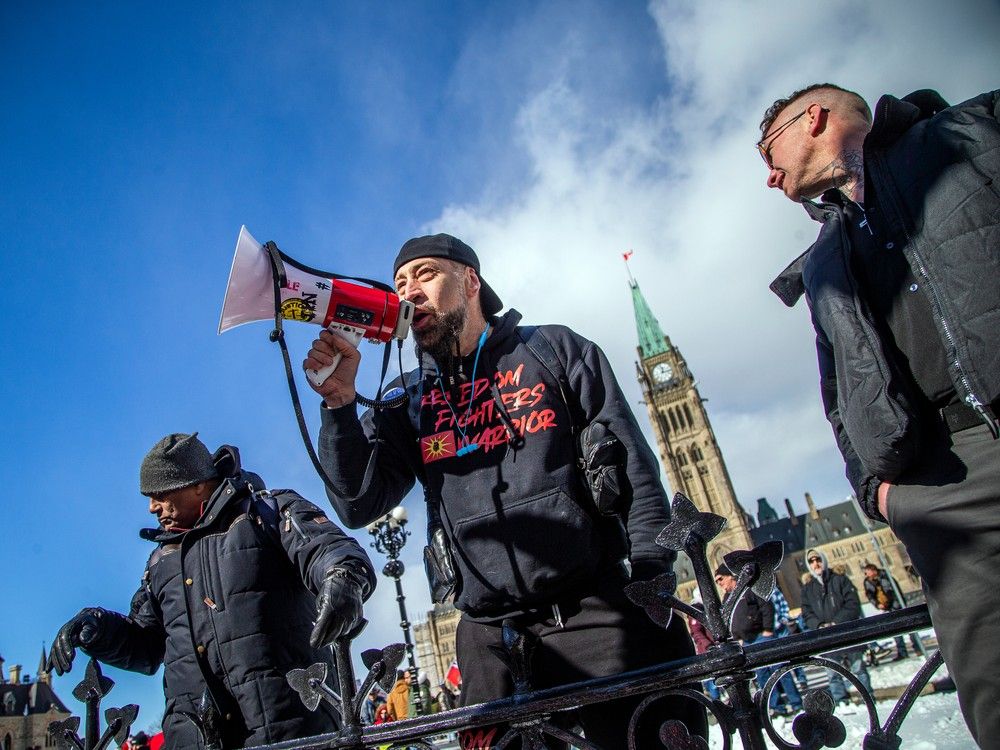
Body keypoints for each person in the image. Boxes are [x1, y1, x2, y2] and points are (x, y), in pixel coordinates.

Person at [304, 233, 706, 748]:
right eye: (400, 282)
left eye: (426, 274)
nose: (409, 292)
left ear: (471, 280)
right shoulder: (406, 399)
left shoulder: (554, 349)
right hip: (490, 636)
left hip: (600, 611)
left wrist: (652, 582)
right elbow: (357, 503)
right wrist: (338, 406)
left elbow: (634, 468)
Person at [760, 81, 999, 744]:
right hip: (940, 481)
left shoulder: (968, 135)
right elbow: (836, 389)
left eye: (768, 152)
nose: (768, 176)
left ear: (813, 117)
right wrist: (878, 487)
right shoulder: (822, 259)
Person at [47, 433, 376, 750]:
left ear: (197, 485)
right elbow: (146, 645)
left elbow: (326, 548)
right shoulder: (160, 561)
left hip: (287, 727)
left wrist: (343, 574)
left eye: (160, 494)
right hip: (193, 736)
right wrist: (96, 627)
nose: (151, 507)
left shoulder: (267, 512)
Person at [715, 567, 801, 716]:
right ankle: (775, 706)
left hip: (762, 637)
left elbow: (767, 607)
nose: (719, 584)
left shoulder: (749, 590)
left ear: (730, 576)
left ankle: (796, 703)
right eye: (716, 581)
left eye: (720, 579)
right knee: (762, 677)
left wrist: (768, 630)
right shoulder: (726, 598)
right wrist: (737, 638)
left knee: (779, 671)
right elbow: (728, 621)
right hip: (746, 642)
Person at [798, 550, 872, 704]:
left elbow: (853, 604)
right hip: (825, 636)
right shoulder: (808, 588)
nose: (815, 563)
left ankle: (868, 698)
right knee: (832, 673)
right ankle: (841, 700)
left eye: (818, 559)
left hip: (847, 632)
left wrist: (836, 622)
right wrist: (818, 625)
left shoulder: (840, 579)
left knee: (858, 668)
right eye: (811, 561)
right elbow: (806, 612)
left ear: (823, 560)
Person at [862, 563, 921, 660]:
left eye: (868, 572)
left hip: (896, 605)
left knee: (909, 628)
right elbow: (870, 595)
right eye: (866, 573)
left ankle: (918, 648)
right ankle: (902, 652)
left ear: (873, 570)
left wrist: (890, 604)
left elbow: (891, 591)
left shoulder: (884, 576)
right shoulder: (868, 581)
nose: (867, 574)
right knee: (895, 631)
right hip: (887, 608)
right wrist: (877, 604)